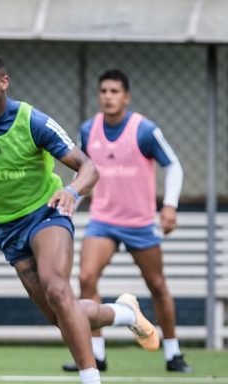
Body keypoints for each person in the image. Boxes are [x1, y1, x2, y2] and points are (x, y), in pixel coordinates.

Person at [0, 53, 161, 384]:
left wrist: (71, 192)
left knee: (59, 290)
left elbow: (89, 168)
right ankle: (125, 313)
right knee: (63, 315)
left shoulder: (32, 121)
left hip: (47, 214)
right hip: (6, 228)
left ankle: (90, 379)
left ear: (3, 83)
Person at [60, 69, 191, 373]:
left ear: (126, 97)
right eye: (103, 91)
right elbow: (84, 173)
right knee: (86, 279)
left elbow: (174, 167)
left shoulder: (144, 130)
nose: (108, 96)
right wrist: (71, 199)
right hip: (103, 221)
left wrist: (169, 206)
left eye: (115, 91)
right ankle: (96, 354)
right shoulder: (89, 129)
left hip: (140, 223)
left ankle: (173, 352)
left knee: (157, 285)